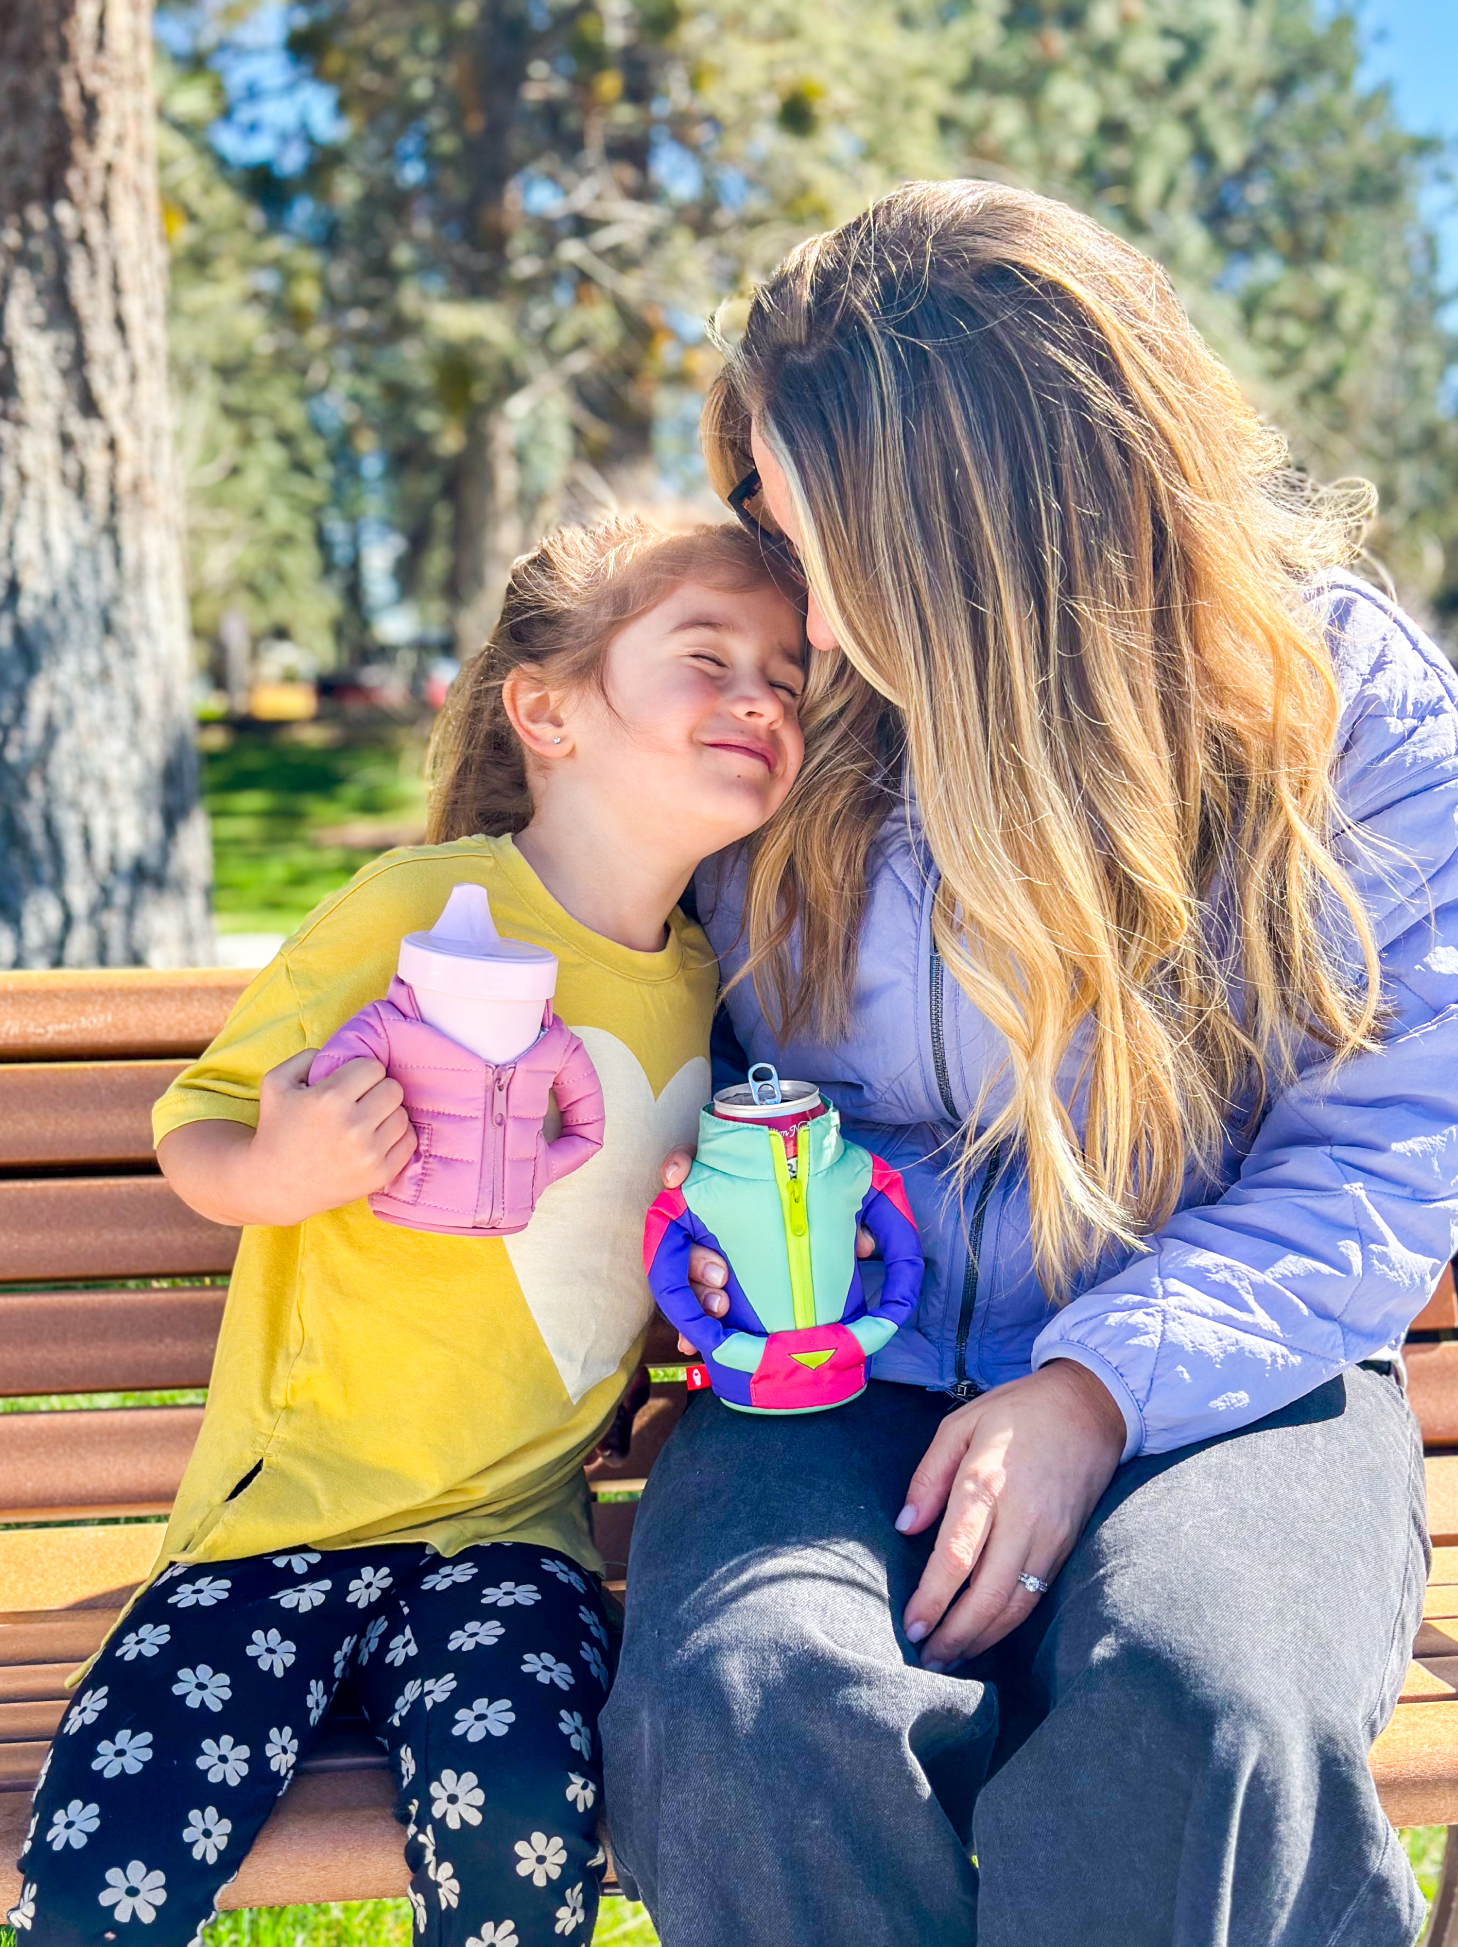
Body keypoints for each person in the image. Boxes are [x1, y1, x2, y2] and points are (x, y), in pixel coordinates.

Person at [600, 180, 1458, 1947]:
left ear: (966, 524)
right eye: (762, 513)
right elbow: (584, 942)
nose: (797, 600)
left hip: (1233, 1357)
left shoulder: (1332, 716)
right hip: (837, 1366)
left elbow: (1381, 1154)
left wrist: (1094, 1393)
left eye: (816, 531)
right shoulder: (789, 718)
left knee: (1197, 1697)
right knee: (759, 1703)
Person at [7, 517, 807, 1947]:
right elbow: (196, 1117)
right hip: (278, 1527)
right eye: (708, 658)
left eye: (788, 678)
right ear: (547, 707)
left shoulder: (722, 990)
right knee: (97, 1870)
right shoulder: (420, 911)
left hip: (510, 1543)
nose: (761, 696)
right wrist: (279, 1165)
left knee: (519, 1838)